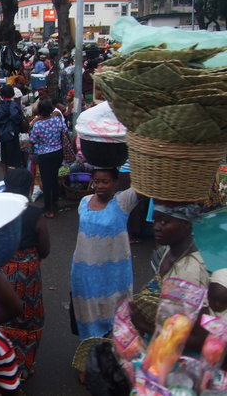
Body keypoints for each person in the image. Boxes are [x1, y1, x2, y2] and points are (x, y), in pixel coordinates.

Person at [71, 168, 139, 341]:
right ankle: (87, 354)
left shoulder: (123, 202)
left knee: (115, 314)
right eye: (96, 181)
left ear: (115, 183)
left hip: (113, 275)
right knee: (86, 312)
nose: (99, 186)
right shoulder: (84, 201)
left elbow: (143, 186)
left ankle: (113, 355)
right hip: (84, 273)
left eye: (105, 181)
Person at [129, 203, 210, 338]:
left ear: (185, 224)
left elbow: (199, 339)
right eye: (155, 221)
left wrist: (144, 326)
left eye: (163, 222)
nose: (156, 227)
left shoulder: (190, 272)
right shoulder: (170, 249)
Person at [1, 169, 51, 378]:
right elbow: (45, 249)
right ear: (30, 188)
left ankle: (1, 362)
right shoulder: (34, 214)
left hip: (3, 271)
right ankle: (23, 365)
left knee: (3, 312)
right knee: (29, 316)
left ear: (5, 188)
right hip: (28, 273)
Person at [29, 99, 68, 218]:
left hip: (44, 155)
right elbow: (65, 131)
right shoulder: (57, 120)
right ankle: (55, 200)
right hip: (58, 152)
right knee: (54, 176)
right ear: (51, 109)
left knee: (46, 181)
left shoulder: (38, 124)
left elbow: (32, 140)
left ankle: (48, 209)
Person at [0, 85, 25, 175]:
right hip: (12, 133)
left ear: (2, 95)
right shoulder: (13, 105)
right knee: (15, 156)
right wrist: (19, 121)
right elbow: (15, 115)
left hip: (2, 134)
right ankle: (15, 175)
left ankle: (6, 176)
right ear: (12, 94)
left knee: (4, 157)